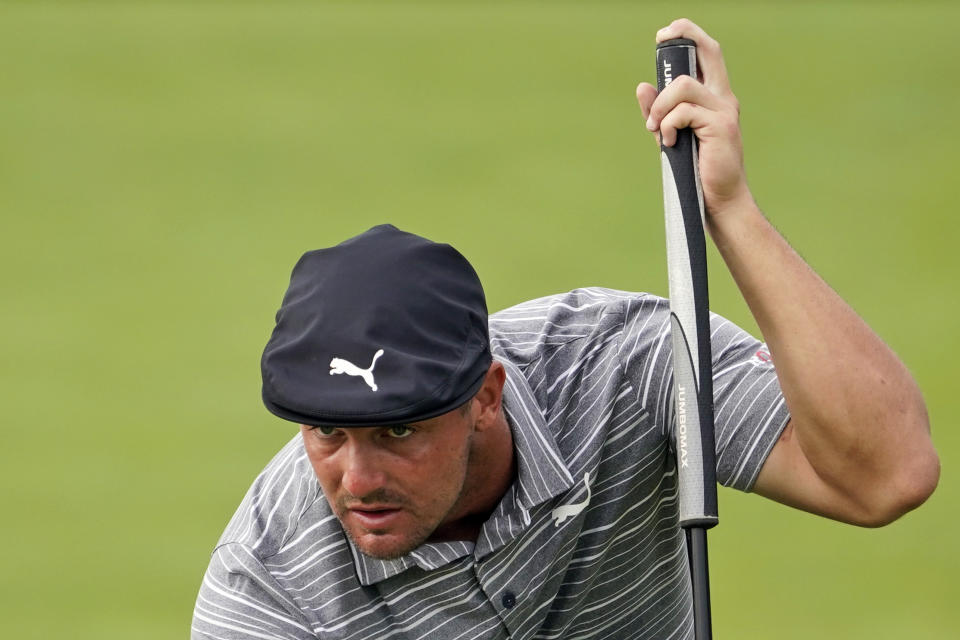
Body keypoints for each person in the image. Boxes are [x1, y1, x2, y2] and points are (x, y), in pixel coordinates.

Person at [191, 19, 939, 640]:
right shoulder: (265, 587)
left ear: (486, 395)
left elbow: (886, 476)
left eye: (397, 433)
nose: (356, 480)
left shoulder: (619, 366)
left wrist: (732, 212)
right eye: (326, 433)